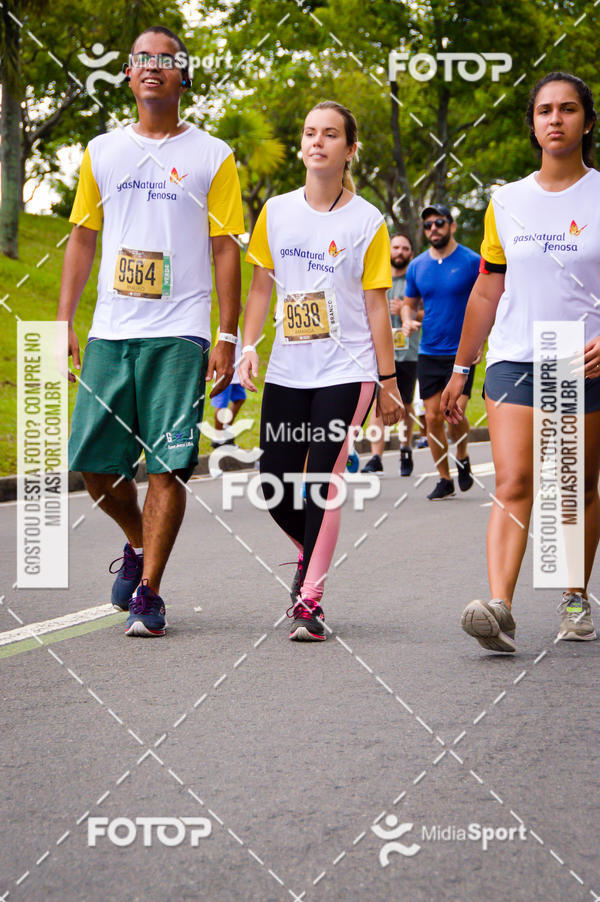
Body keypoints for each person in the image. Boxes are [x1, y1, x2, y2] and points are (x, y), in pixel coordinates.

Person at [58, 26, 244, 636]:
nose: (152, 66)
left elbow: (225, 247)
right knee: (93, 464)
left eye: (165, 59)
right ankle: (138, 542)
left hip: (181, 331)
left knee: (168, 467)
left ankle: (150, 591)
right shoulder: (102, 151)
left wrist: (226, 335)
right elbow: (82, 237)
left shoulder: (212, 155)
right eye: (142, 58)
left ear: (183, 75)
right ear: (129, 74)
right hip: (112, 330)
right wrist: (64, 320)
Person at [442, 71, 600, 652]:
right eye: (544, 110)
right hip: (514, 356)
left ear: (587, 121)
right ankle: (499, 609)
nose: (555, 119)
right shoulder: (506, 201)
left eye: (568, 109)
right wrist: (462, 369)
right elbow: (488, 289)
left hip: (579, 358)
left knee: (573, 486)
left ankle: (574, 596)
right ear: (532, 125)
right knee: (512, 481)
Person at [239, 100, 401, 641]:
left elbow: (376, 305)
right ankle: (311, 554)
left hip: (347, 369)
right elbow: (260, 288)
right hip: (289, 368)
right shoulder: (276, 212)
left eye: (330, 134)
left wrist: (387, 381)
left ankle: (310, 601)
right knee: (274, 483)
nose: (317, 141)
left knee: (321, 482)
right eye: (310, 132)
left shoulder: (367, 221)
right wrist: (247, 346)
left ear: (350, 149)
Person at [401, 204, 480, 499]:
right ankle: (444, 478)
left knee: (453, 413)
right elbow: (409, 303)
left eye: (439, 222)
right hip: (429, 351)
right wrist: (407, 319)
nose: (433, 228)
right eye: (428, 225)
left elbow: (488, 301)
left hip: (462, 351)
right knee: (433, 417)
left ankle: (462, 454)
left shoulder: (472, 261)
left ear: (452, 225)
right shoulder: (417, 266)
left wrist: (480, 341)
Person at [362, 231, 420, 476]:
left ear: (411, 254)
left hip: (408, 352)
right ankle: (376, 456)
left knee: (405, 404)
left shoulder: (414, 279)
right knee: (379, 403)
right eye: (396, 247)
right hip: (379, 351)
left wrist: (408, 312)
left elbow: (430, 312)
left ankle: (405, 448)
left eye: (405, 248)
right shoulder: (376, 276)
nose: (400, 252)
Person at [210, 327, 247, 447]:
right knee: (222, 405)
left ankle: (226, 430)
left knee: (240, 398)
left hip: (235, 373)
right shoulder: (224, 326)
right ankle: (218, 438)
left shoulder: (236, 326)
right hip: (224, 373)